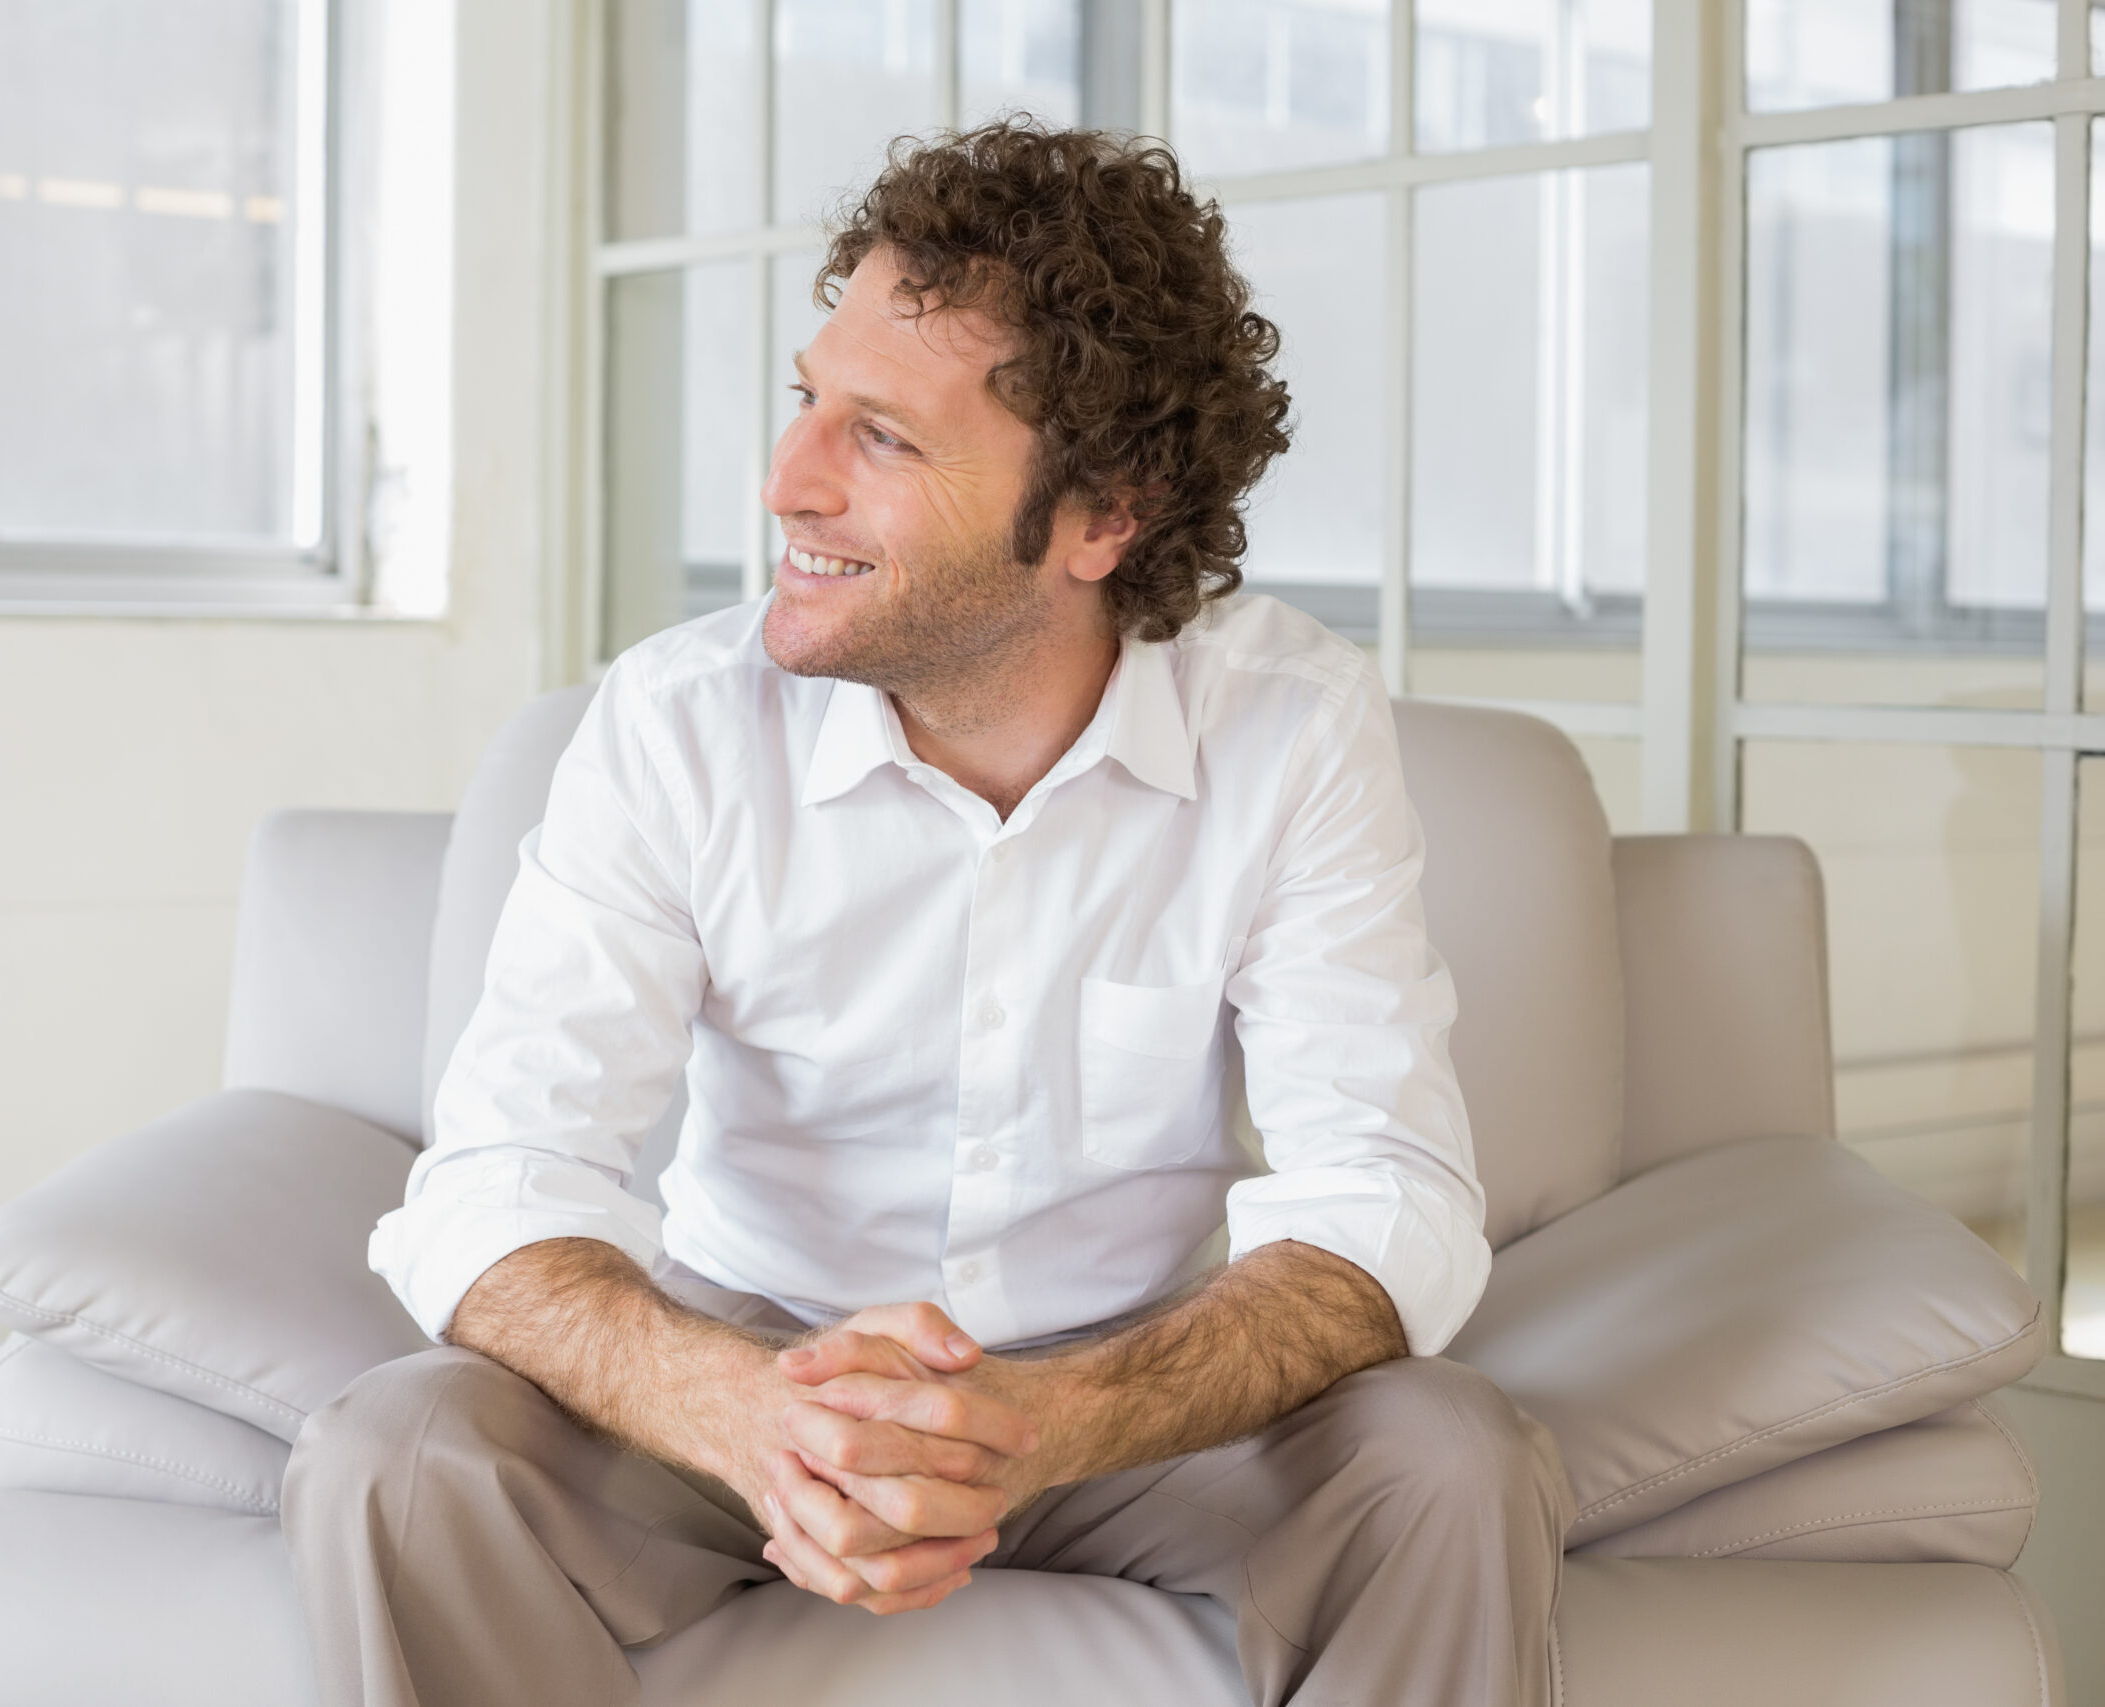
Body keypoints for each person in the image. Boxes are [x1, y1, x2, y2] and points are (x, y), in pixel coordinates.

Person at [282, 120, 1572, 1707]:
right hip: (744, 1376)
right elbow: (494, 1183)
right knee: (398, 1454)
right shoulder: (677, 724)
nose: (787, 482)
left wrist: (1048, 1423)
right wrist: (750, 1413)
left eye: (883, 439)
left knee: (1452, 1460)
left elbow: (1385, 1194)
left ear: (1102, 516)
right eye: (807, 399)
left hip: (1138, 1395)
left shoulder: (1292, 726)